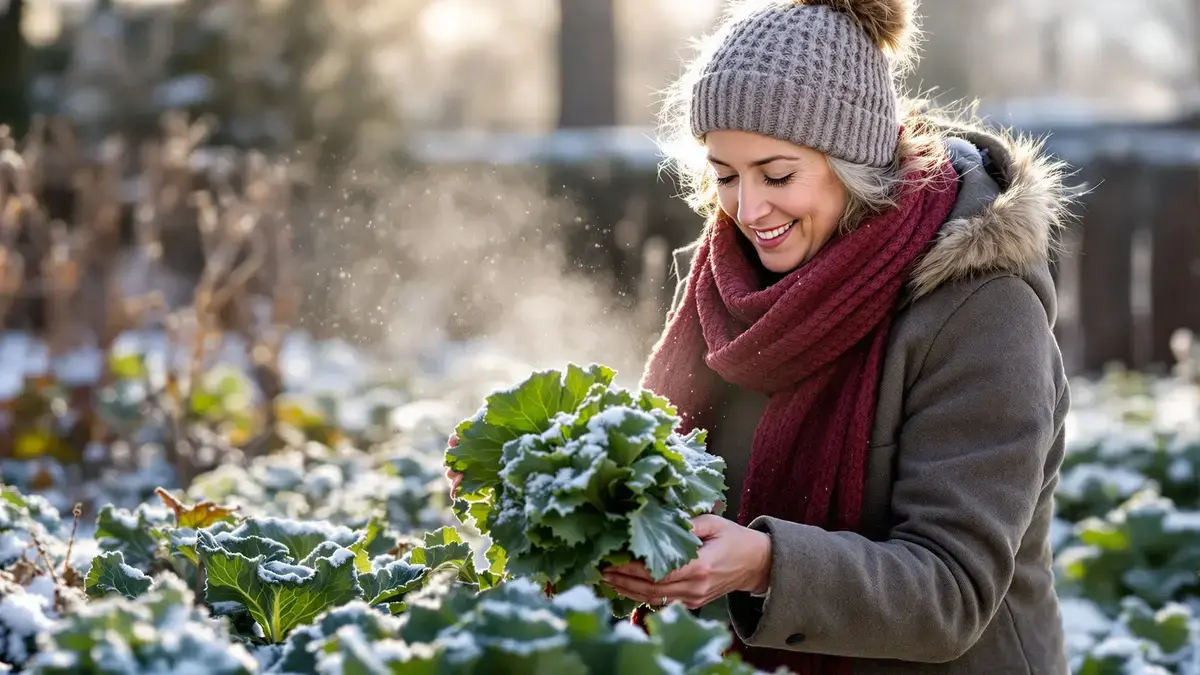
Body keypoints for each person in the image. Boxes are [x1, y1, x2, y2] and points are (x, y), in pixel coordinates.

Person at [447, 0, 1076, 672]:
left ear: (854, 160)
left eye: (777, 175)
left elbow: (951, 593)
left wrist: (767, 564)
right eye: (724, 175)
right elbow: (670, 474)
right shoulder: (726, 282)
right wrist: (563, 491)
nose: (748, 210)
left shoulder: (982, 308)